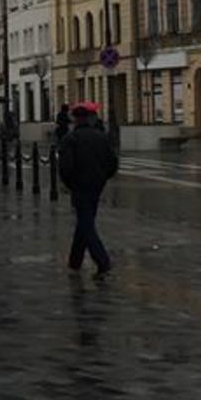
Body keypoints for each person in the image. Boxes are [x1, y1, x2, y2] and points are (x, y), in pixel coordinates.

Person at [57, 102, 116, 275]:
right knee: (86, 220)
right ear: (89, 119)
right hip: (97, 185)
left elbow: (65, 167)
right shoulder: (101, 137)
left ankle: (102, 260)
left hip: (79, 186)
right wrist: (103, 178)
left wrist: (70, 185)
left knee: (86, 223)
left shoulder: (70, 139)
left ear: (75, 119)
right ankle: (75, 260)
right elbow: (112, 162)